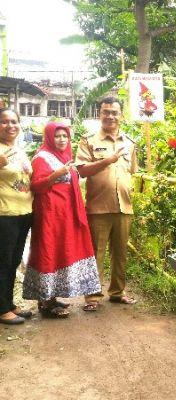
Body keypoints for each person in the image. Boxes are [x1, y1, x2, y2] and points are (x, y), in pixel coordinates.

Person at [22, 122, 101, 318]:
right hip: (50, 214)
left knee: (60, 252)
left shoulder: (64, 156)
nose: (62, 139)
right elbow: (36, 186)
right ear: (49, 138)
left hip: (65, 214)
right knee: (49, 251)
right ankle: (46, 302)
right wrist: (55, 175)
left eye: (65, 136)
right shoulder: (41, 158)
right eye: (57, 136)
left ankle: (52, 297)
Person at [76, 97, 138, 311]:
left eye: (114, 112)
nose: (110, 116)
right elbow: (82, 170)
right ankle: (92, 297)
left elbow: (132, 172)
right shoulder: (89, 140)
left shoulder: (129, 142)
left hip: (124, 206)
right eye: (106, 112)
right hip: (98, 207)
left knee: (120, 253)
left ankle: (118, 292)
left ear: (121, 115)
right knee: (96, 254)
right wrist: (107, 161)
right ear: (99, 114)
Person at [0, 108, 33, 325]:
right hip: (5, 214)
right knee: (3, 262)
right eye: (4, 122)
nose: (10, 126)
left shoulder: (19, 150)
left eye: (14, 121)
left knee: (13, 262)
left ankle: (8, 303)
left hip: (23, 213)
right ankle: (2, 310)